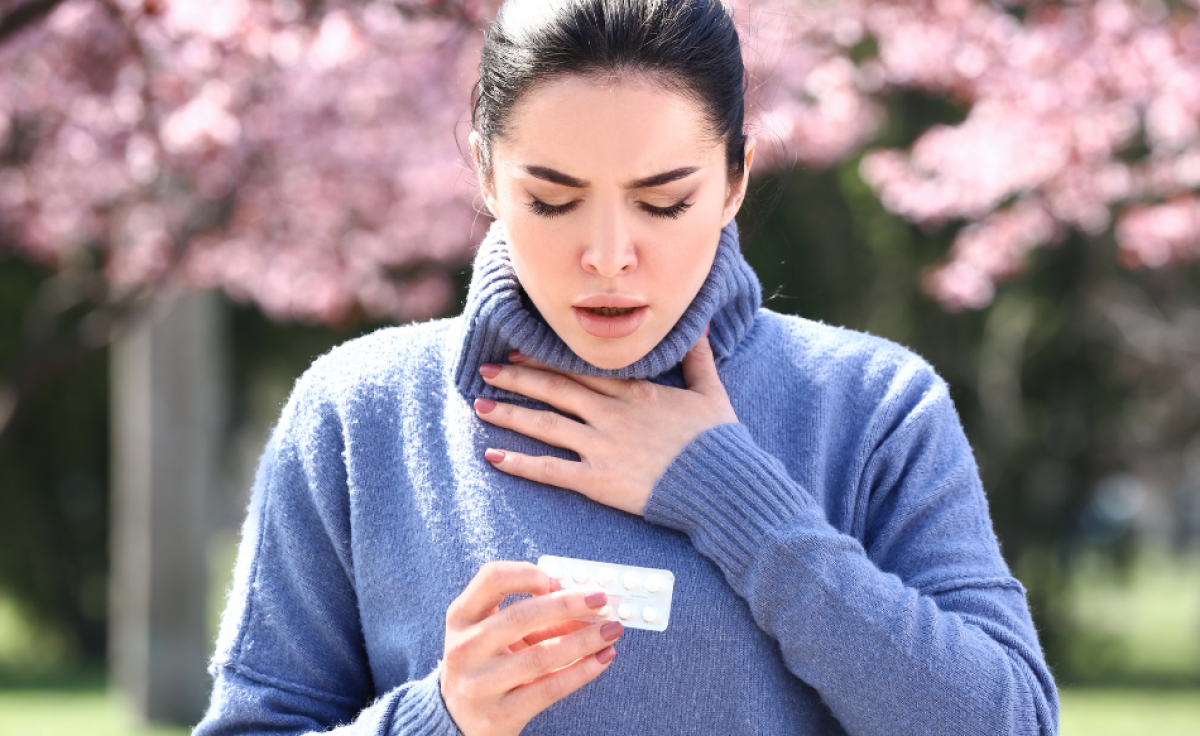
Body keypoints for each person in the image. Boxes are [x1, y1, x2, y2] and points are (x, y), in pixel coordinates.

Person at [195, 1, 1059, 734]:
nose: (609, 256)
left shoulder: (873, 407)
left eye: (664, 201)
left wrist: (736, 500)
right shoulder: (358, 413)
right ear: (487, 174)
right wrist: (442, 715)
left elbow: (1011, 719)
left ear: (734, 181)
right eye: (553, 200)